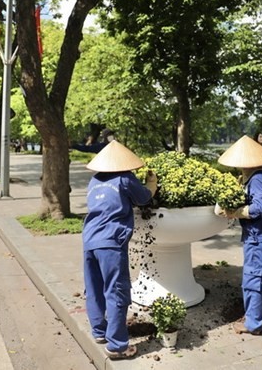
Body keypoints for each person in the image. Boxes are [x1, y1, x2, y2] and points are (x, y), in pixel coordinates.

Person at [82, 140, 157, 360]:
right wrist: (152, 184)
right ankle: (117, 346)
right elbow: (144, 198)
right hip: (111, 241)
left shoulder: (94, 181)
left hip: (89, 240)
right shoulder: (125, 178)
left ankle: (99, 331)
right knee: (116, 290)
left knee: (94, 288)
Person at [214, 135, 262, 335]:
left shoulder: (258, 179)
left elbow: (260, 208)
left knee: (255, 278)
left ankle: (253, 324)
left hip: (259, 238)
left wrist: (235, 212)